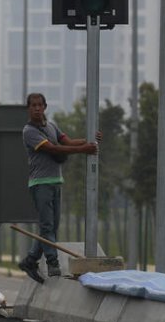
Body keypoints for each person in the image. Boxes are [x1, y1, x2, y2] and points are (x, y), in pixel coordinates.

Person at [18, 92, 102, 283]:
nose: (37, 108)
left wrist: (91, 140)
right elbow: (53, 149)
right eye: (33, 105)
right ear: (29, 108)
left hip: (56, 182)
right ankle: (52, 263)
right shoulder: (29, 131)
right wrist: (83, 150)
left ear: (45, 106)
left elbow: (68, 142)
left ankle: (30, 260)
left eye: (40, 105)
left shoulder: (51, 126)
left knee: (52, 228)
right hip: (40, 184)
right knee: (47, 226)